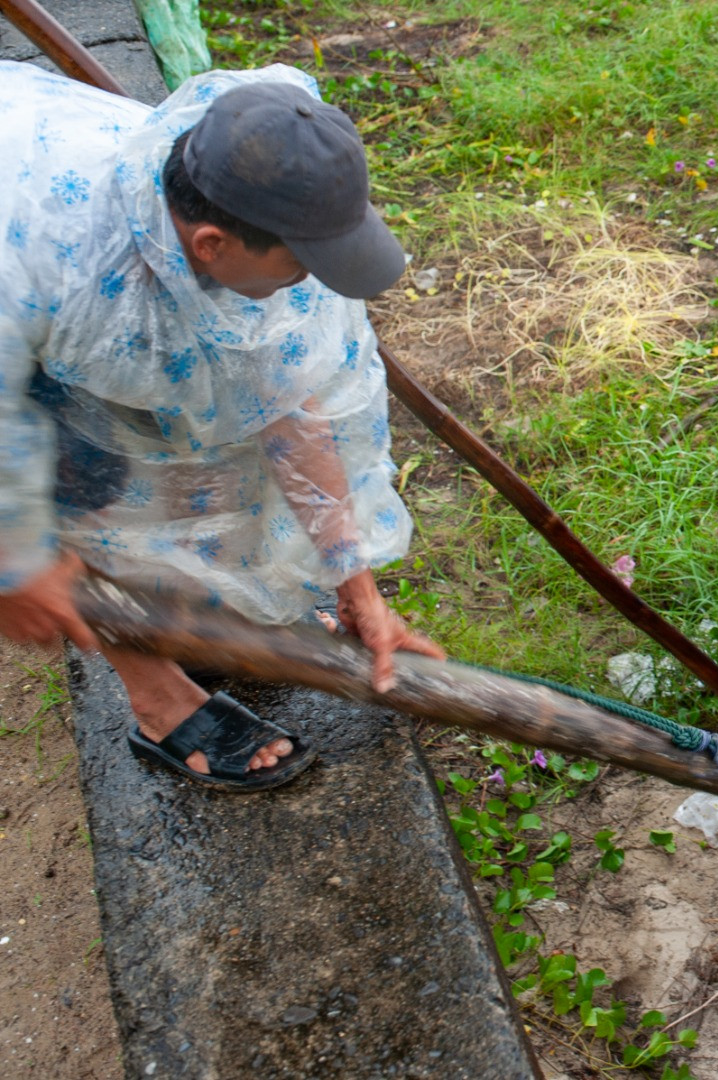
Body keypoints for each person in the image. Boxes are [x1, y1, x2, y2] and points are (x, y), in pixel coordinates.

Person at [0, 63, 441, 790]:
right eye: (302, 264)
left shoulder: (236, 194)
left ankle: (190, 609)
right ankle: (158, 700)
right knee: (77, 487)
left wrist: (355, 587)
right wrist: (20, 564)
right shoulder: (44, 266)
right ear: (210, 245)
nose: (311, 283)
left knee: (194, 441)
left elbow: (290, 408)